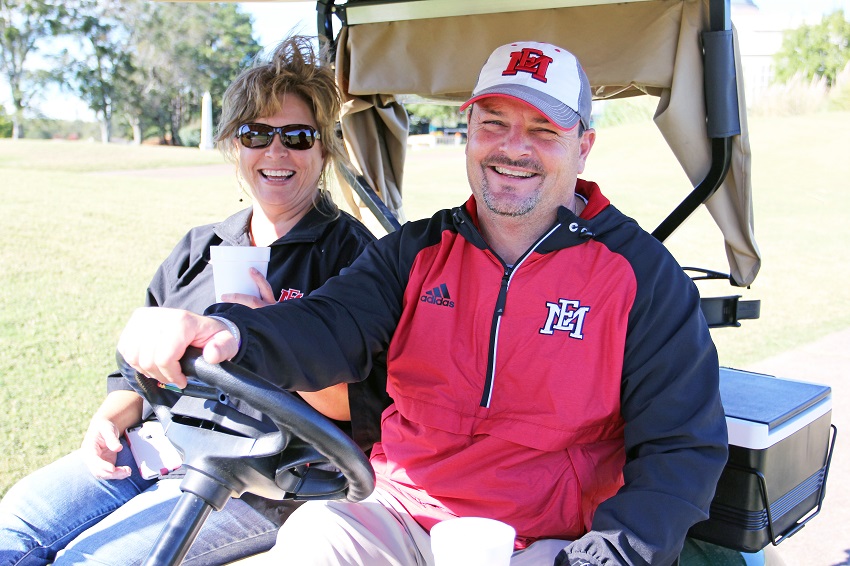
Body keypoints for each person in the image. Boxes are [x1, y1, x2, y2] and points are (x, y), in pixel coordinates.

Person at [115, 41, 728, 566]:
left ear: (583, 144)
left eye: (543, 130)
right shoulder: (417, 251)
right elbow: (329, 323)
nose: (512, 148)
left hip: (545, 540)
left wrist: (606, 555)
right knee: (312, 536)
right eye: (493, 122)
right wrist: (231, 332)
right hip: (402, 512)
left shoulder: (640, 276)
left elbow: (683, 448)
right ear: (469, 131)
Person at [0, 35, 389, 565]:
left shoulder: (354, 259)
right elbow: (135, 369)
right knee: (15, 529)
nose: (276, 152)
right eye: (257, 133)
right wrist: (114, 416)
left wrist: (269, 335)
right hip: (160, 444)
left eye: (298, 136)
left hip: (259, 478)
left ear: (324, 149)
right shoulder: (199, 247)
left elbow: (363, 413)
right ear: (235, 144)